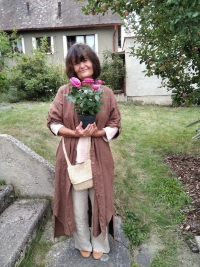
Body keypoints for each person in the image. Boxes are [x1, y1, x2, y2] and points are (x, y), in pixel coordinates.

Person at [47, 43, 121, 260]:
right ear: (72, 68)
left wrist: (98, 133)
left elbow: (116, 123)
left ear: (93, 63)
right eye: (76, 62)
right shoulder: (64, 92)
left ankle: (100, 241)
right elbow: (52, 122)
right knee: (78, 206)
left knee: (100, 200)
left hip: (99, 156)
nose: (82, 65)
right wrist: (73, 132)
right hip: (72, 158)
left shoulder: (105, 93)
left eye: (85, 60)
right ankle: (82, 241)